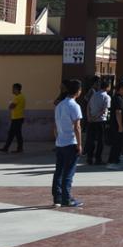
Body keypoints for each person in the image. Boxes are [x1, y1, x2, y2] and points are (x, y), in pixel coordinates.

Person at [52, 79, 83, 207]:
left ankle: (57, 198)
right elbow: (77, 127)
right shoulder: (74, 106)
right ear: (78, 91)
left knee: (58, 171)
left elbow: (55, 126)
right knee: (68, 173)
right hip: (70, 143)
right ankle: (67, 198)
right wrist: (79, 144)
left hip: (60, 143)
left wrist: (57, 139)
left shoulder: (59, 105)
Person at [85, 80, 110, 164]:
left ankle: (89, 157)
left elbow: (88, 106)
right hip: (100, 120)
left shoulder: (94, 94)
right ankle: (98, 159)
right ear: (108, 87)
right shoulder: (106, 97)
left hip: (91, 120)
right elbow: (104, 110)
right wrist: (96, 117)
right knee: (100, 140)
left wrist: (89, 117)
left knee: (91, 139)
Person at [0, 83, 26, 153]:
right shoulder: (22, 96)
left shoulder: (18, 97)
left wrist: (10, 104)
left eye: (13, 89)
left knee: (12, 133)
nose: (12, 90)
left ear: (16, 89)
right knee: (17, 134)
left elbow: (11, 106)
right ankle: (17, 148)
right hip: (19, 118)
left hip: (17, 118)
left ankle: (7, 148)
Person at [106, 82, 123, 170]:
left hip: (118, 125)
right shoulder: (118, 98)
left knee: (119, 143)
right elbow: (118, 112)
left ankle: (115, 160)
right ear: (120, 89)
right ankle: (112, 161)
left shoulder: (121, 98)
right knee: (116, 144)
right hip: (117, 126)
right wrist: (120, 125)